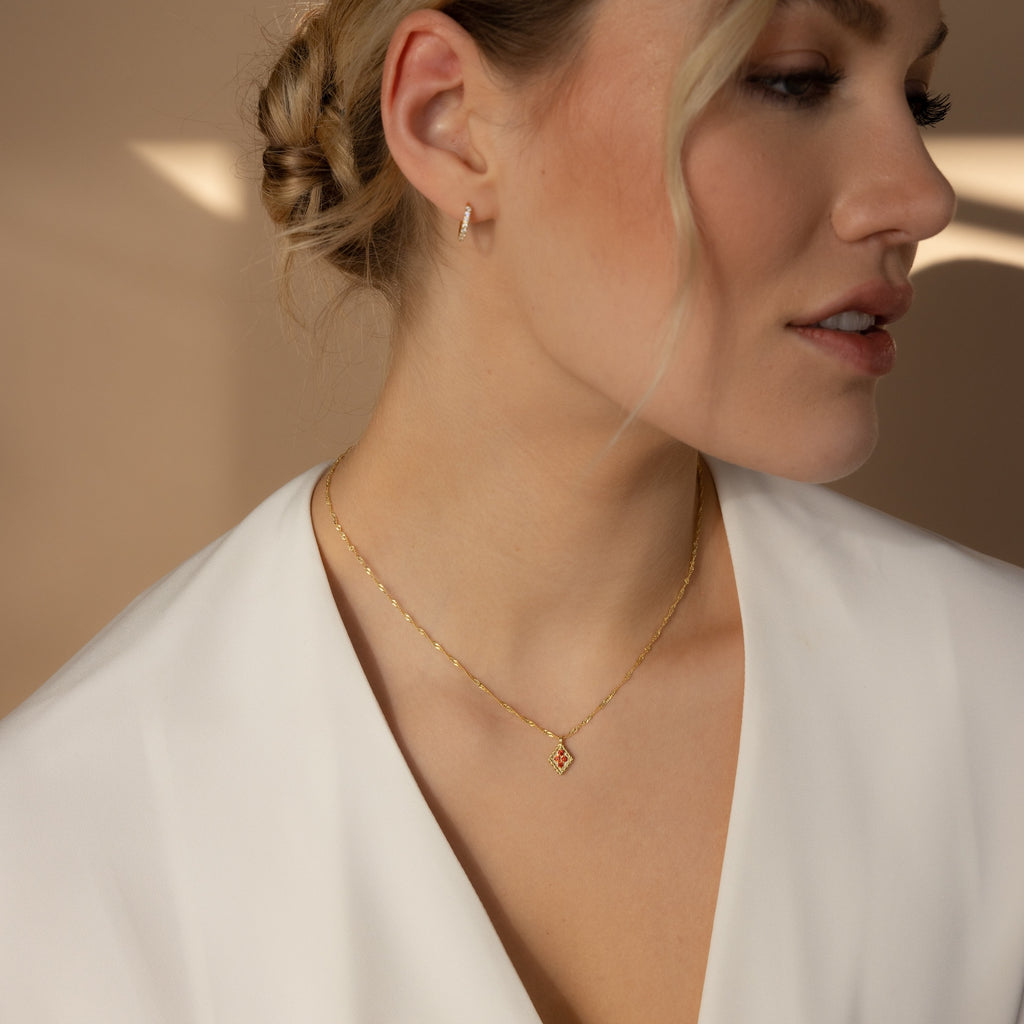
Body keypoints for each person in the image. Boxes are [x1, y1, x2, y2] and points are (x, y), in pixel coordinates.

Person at [2, 0, 1022, 1020]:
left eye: (919, 99)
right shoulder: (76, 838)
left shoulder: (991, 704)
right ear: (451, 119)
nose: (920, 198)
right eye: (794, 80)